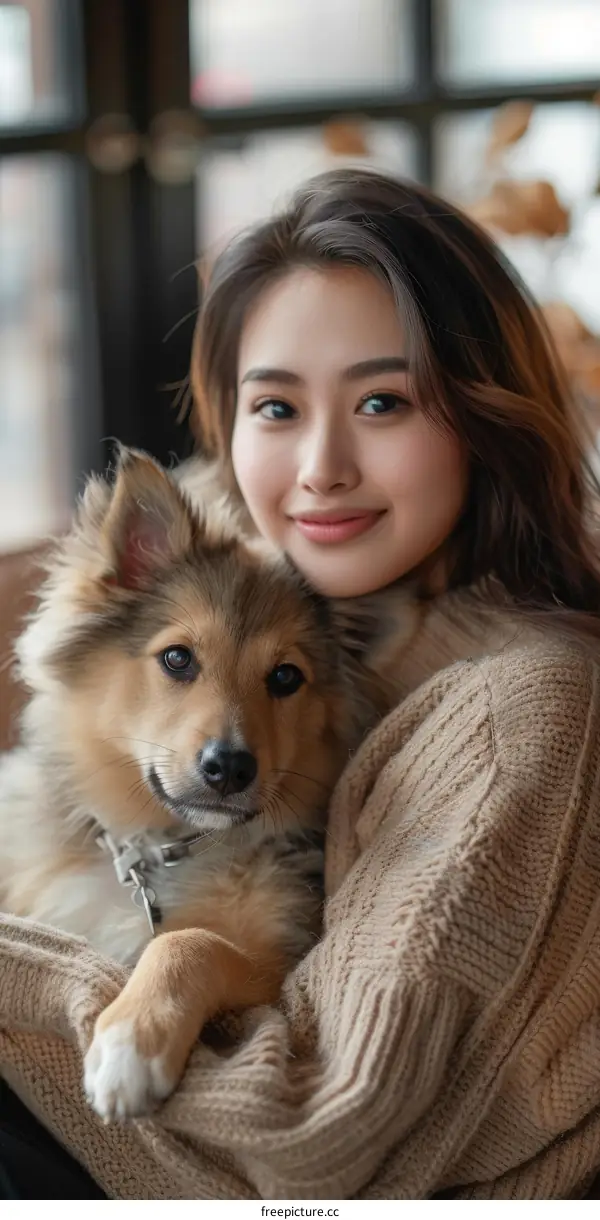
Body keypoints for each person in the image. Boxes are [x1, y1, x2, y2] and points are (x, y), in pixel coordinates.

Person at [2, 167, 600, 1200]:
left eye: (382, 399)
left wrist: (37, 982)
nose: (321, 464)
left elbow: (314, 1141)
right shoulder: (311, 621)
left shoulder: (519, 709)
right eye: (275, 404)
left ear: (481, 412)